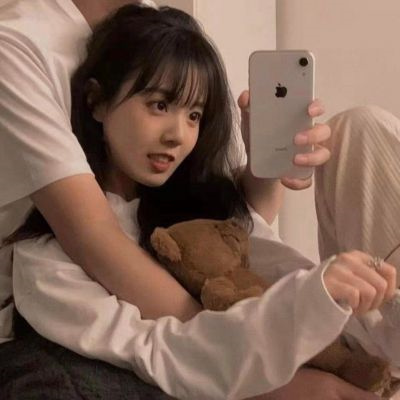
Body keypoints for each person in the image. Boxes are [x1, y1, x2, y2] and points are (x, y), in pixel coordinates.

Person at [1, 3, 398, 400]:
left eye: (194, 115)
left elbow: (258, 242)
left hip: (353, 336)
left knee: (362, 127)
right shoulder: (47, 261)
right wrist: (307, 323)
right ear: (96, 101)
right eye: (159, 105)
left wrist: (267, 164)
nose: (177, 134)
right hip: (281, 354)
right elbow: (163, 349)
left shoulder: (194, 208)